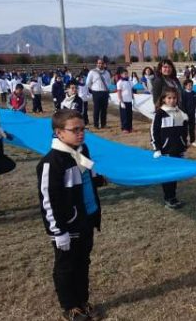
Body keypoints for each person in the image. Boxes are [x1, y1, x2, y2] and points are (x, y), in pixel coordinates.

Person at [36, 109, 105, 321]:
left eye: (83, 128)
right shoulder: (52, 162)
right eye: (74, 130)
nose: (81, 133)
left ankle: (82, 300)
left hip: (88, 217)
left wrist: (99, 180)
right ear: (59, 132)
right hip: (68, 225)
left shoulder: (82, 150)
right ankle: (70, 307)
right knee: (66, 265)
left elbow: (87, 177)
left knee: (83, 261)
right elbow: (48, 201)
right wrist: (58, 232)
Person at [151, 87, 188, 210]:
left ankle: (173, 197)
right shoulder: (160, 113)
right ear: (163, 99)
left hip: (177, 150)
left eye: (174, 98)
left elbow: (184, 132)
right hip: (165, 151)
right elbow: (154, 132)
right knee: (167, 176)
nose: (172, 100)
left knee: (174, 175)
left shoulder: (180, 113)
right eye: (169, 98)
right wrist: (157, 148)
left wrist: (183, 147)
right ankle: (168, 198)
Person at [86, 59, 112, 129]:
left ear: (104, 64)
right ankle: (96, 125)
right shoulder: (92, 72)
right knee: (96, 109)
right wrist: (92, 89)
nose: (100, 64)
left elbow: (109, 82)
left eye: (102, 63)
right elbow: (88, 83)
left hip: (105, 92)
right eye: (99, 63)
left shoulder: (107, 73)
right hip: (96, 92)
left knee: (104, 109)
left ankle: (103, 124)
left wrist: (107, 89)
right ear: (97, 64)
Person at [181, 79, 196, 147]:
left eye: (191, 85)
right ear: (185, 86)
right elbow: (182, 105)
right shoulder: (183, 94)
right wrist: (184, 113)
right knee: (185, 129)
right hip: (185, 114)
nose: (190, 86)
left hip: (192, 114)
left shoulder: (195, 93)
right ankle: (184, 142)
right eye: (189, 85)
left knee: (192, 128)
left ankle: (192, 141)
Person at [115, 70, 134, 134]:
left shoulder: (129, 81)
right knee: (124, 115)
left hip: (129, 100)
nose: (126, 75)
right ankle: (124, 128)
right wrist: (121, 101)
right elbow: (119, 92)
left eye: (127, 74)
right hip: (124, 101)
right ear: (121, 75)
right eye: (124, 74)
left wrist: (133, 98)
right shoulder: (119, 82)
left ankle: (130, 127)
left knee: (129, 115)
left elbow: (131, 90)